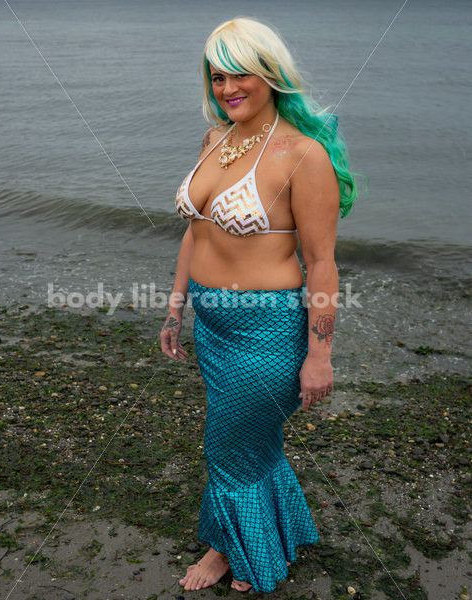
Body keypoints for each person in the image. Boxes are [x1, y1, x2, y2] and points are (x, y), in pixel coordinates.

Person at [160, 16, 357, 594]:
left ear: (270, 73)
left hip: (264, 331)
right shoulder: (216, 138)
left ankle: (228, 549)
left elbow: (322, 264)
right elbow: (196, 233)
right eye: (217, 77)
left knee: (227, 444)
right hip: (211, 324)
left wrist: (318, 357)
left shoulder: (303, 156)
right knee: (252, 441)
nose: (227, 89)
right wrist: (176, 308)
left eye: (239, 74)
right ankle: (278, 529)